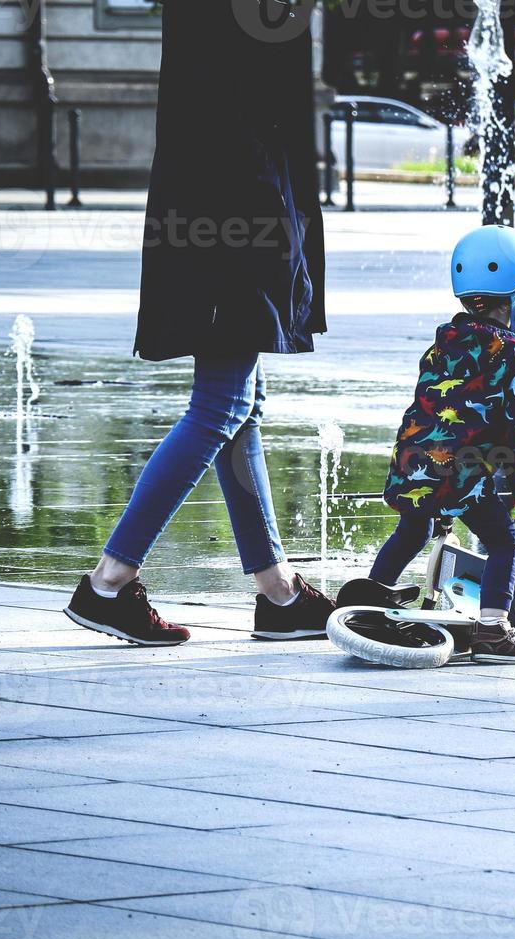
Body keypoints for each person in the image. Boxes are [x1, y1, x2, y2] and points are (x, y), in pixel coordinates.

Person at [65, 0, 335, 646]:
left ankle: (277, 593)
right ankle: (108, 582)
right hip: (234, 207)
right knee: (220, 403)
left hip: (233, 199)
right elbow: (237, 102)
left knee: (241, 404)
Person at [368, 225, 515, 665]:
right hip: (460, 470)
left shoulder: (439, 348)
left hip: (411, 463)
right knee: (504, 541)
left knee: (414, 528)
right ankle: (492, 631)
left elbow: (429, 411)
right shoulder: (513, 356)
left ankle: (367, 605)